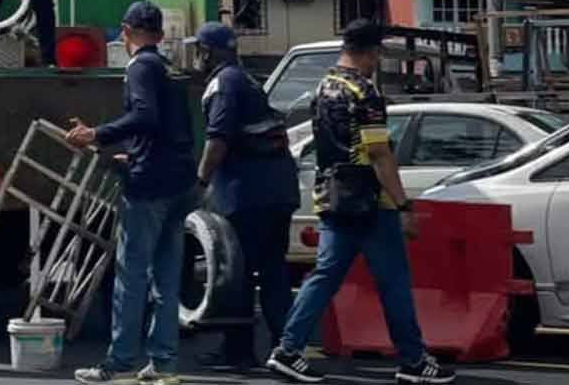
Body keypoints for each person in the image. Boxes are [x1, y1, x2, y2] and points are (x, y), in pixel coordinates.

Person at [266, 20, 455, 384]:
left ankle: (288, 349)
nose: (377, 60)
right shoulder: (363, 92)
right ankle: (414, 361)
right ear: (371, 52)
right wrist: (403, 205)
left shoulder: (324, 86)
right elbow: (379, 153)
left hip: (333, 198)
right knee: (394, 282)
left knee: (324, 277)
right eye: (377, 53)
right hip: (370, 202)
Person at [66, 1, 197, 385]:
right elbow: (170, 126)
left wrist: (97, 134)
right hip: (179, 182)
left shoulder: (140, 67)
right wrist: (137, 150)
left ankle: (120, 361)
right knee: (166, 279)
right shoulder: (171, 69)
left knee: (132, 275)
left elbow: (144, 115)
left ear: (126, 32)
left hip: (149, 185)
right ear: (160, 33)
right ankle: (163, 362)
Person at [188, 22, 300, 371]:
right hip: (278, 191)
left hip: (247, 195)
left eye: (199, 51)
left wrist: (200, 182)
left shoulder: (223, 84)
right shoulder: (246, 79)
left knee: (237, 272)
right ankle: (287, 348)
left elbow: (218, 140)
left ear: (207, 52)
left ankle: (238, 352)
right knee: (273, 272)